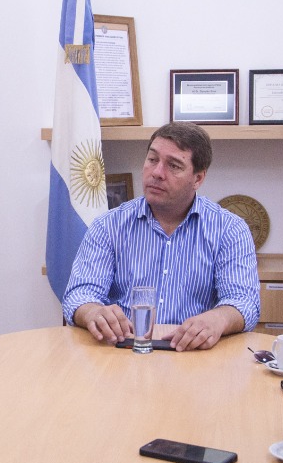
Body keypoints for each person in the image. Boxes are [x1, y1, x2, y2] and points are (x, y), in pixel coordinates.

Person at [61, 122, 260, 351]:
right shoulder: (108, 226)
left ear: (198, 178)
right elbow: (79, 294)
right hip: (124, 353)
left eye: (173, 165)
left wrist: (218, 319)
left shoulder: (230, 230)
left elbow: (245, 302)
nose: (157, 173)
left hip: (193, 357)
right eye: (152, 159)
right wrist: (93, 312)